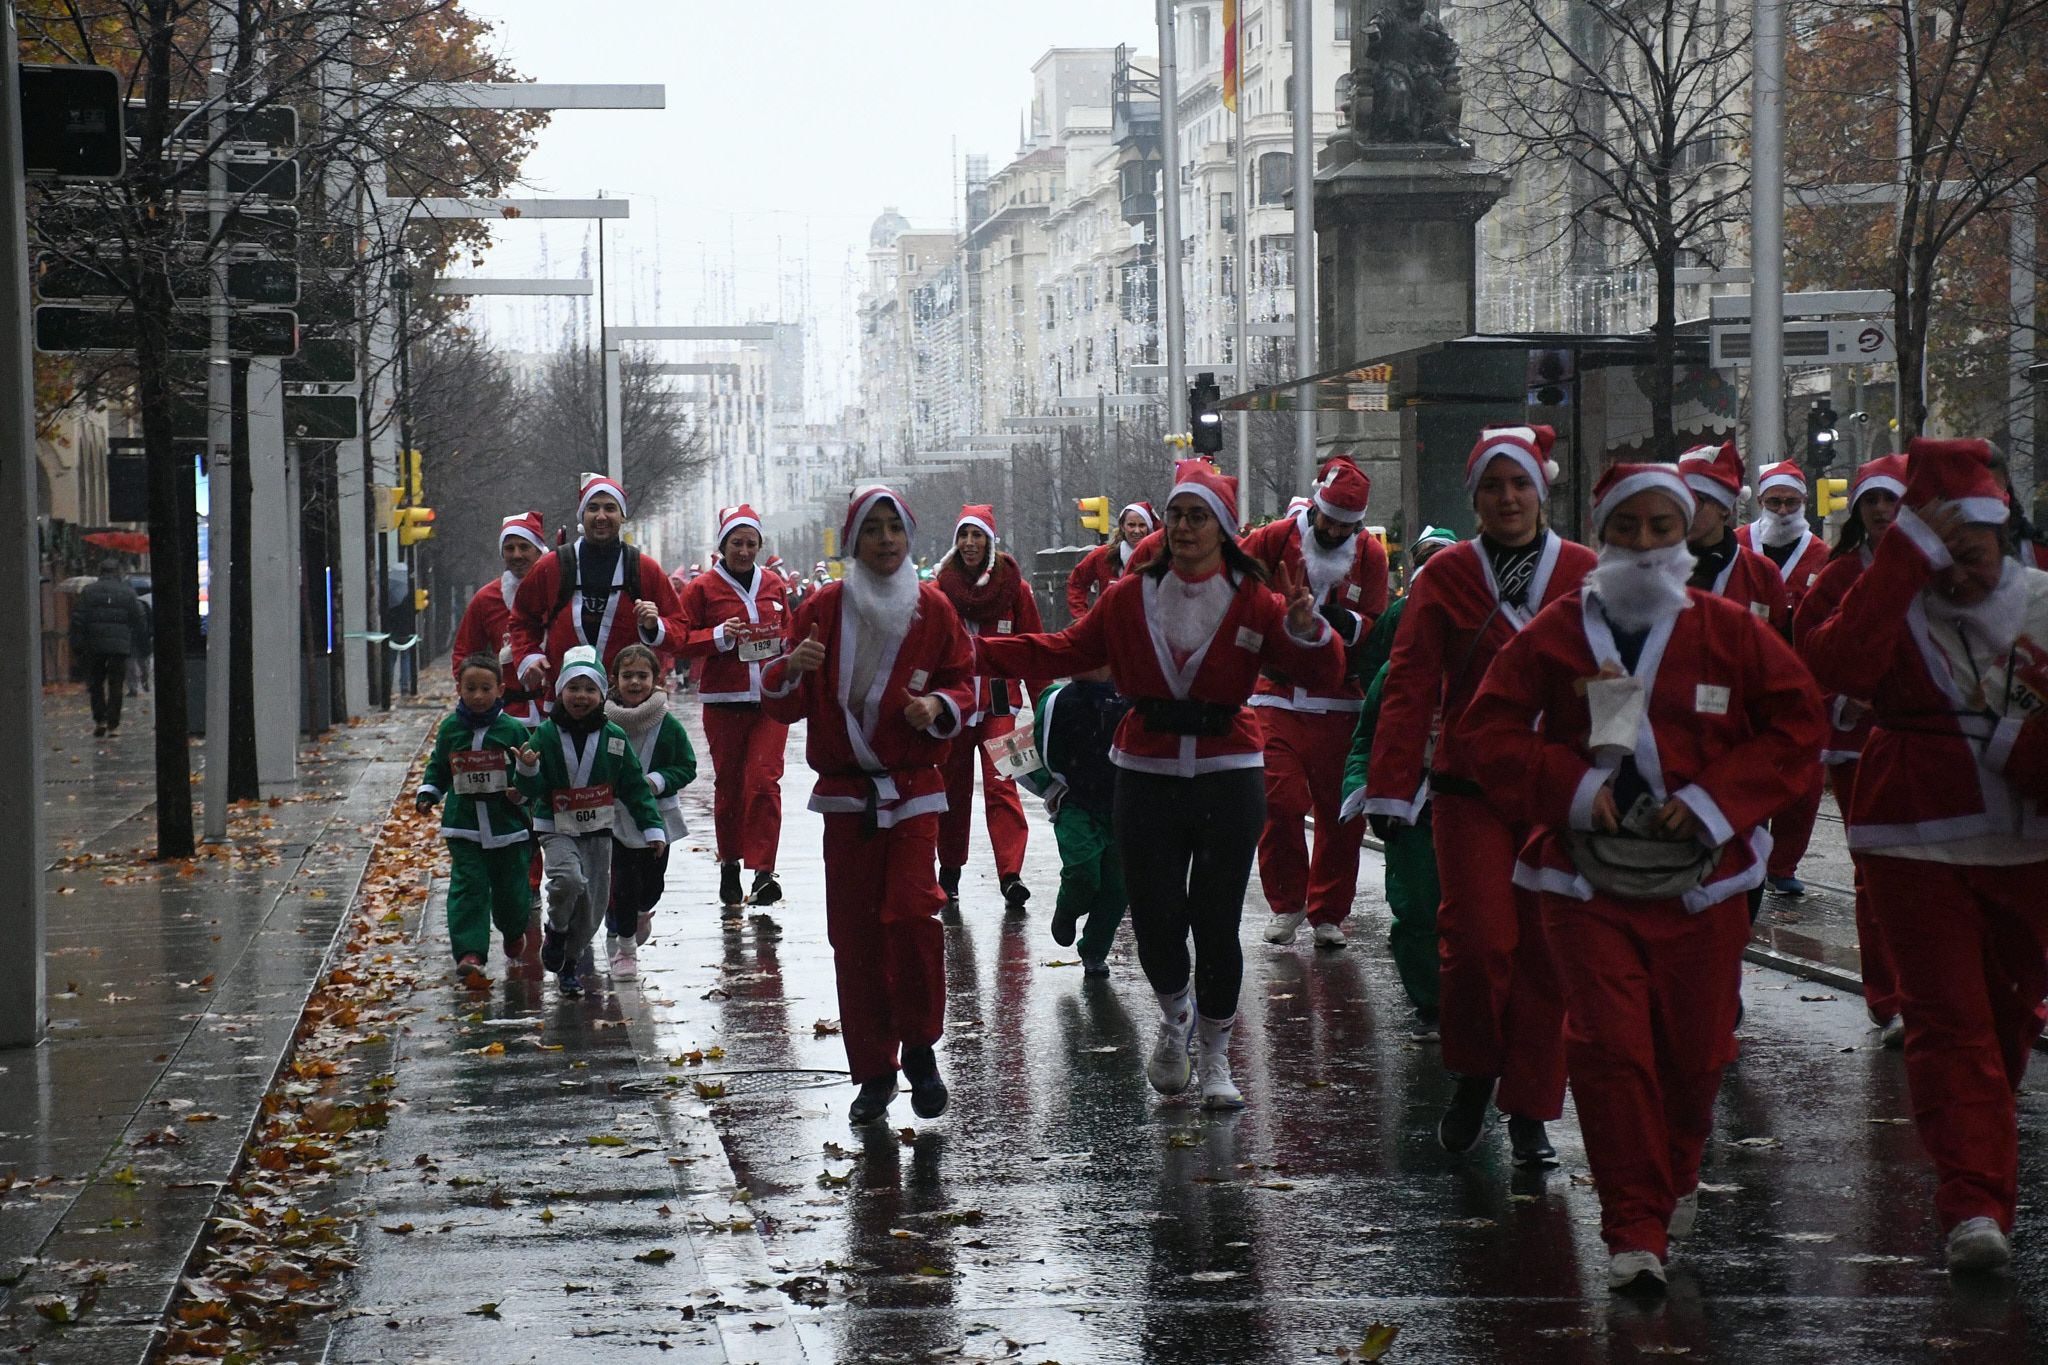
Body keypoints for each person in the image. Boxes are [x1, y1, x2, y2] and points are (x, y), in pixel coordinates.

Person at [1463, 462, 1825, 1294]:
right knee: (1608, 1045)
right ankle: (1632, 1227)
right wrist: (1579, 792)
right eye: (1627, 528)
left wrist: (1712, 803)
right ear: (1602, 535)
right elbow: (1488, 731)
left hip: (1706, 883)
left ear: (1687, 534)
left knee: (1696, 1055)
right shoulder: (1556, 631)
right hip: (1584, 882)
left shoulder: (1731, 629)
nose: (1645, 544)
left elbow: (1797, 722)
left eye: (1663, 527)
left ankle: (1677, 1169)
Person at [978, 460, 1341, 1112]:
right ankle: (1174, 1018)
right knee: (1156, 922)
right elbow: (1060, 650)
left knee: (1216, 918)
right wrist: (969, 650)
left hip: (1229, 770)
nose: (1182, 527)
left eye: (1197, 515)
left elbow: (1319, 668)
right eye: (1176, 514)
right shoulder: (1127, 597)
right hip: (1144, 770)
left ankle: (1217, 1054)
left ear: (1224, 528)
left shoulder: (1255, 598)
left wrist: (1310, 628)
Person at [1803, 437, 2048, 1277]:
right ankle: (1972, 1205)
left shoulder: (2043, 604)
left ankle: (1982, 1141)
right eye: (1939, 558)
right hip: (1914, 835)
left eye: (1971, 557)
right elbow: (1831, 667)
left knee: (2008, 1019)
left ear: (2003, 539)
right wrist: (1900, 562)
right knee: (1949, 1023)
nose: (1957, 578)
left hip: (2029, 844)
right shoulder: (1892, 601)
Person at [1360, 424, 1596, 1166]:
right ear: (1475, 498)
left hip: (1554, 787)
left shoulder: (1585, 572)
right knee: (1475, 945)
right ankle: (1471, 1073)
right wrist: (1391, 788)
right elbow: (1408, 686)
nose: (1508, 498)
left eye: (1520, 483)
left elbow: (1617, 676)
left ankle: (1529, 1109)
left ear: (1542, 489)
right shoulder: (1444, 576)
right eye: (1493, 486)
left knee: (1544, 956)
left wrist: (1619, 770)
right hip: (1467, 786)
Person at [760, 486, 976, 1124]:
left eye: (895, 529)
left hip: (914, 790)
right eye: (872, 530)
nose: (885, 541)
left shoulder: (932, 609)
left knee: (911, 917)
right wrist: (790, 668)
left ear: (909, 537)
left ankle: (920, 1049)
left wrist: (941, 707)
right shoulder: (824, 607)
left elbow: (964, 680)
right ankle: (874, 1073)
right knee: (853, 937)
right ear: (853, 541)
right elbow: (780, 702)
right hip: (846, 797)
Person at [1242, 454, 1391, 949]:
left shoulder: (1370, 555)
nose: (1334, 530)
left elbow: (1373, 618)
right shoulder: (1275, 539)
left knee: (1340, 813)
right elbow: (1233, 582)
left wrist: (1338, 623)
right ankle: (1287, 902)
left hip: (1339, 700)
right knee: (1279, 801)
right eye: (1328, 519)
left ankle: (1329, 911)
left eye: (1346, 524)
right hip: (1276, 694)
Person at [1794, 454, 1908, 1046]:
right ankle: (1887, 995)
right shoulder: (1838, 576)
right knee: (1873, 866)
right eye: (1872, 503)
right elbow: (1808, 646)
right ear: (1858, 511)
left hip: (1926, 739)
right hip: (1856, 745)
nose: (1883, 512)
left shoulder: (1940, 569)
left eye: (1892, 500)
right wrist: (1846, 695)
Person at [1340, 526, 1460, 1038]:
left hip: (1470, 803)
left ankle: (1478, 1002)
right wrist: (1361, 787)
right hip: (1409, 808)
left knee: (1476, 913)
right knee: (1413, 907)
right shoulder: (1393, 673)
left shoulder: (1484, 662)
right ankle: (1432, 1003)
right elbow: (1365, 740)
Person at [516, 645, 667, 1000]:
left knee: (594, 909)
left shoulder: (614, 737)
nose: (580, 696)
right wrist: (527, 768)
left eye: (589, 689)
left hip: (599, 831)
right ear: (560, 692)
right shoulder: (546, 735)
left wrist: (652, 827)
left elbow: (632, 785)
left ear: (602, 694)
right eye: (573, 688)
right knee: (567, 879)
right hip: (556, 828)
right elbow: (530, 790)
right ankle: (555, 929)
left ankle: (569, 964)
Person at [675, 505, 794, 911]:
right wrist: (720, 635)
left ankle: (763, 873)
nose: (744, 551)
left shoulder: (775, 584)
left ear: (760, 545)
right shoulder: (702, 590)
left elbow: (790, 634)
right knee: (728, 785)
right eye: (736, 543)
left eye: (751, 543)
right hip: (724, 701)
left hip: (769, 703)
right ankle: (730, 862)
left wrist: (792, 661)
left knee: (764, 780)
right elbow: (681, 640)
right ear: (723, 545)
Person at [934, 504, 1042, 912]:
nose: (969, 543)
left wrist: (1045, 701)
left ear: (990, 541)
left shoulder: (1015, 588)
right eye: (964, 535)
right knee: (951, 790)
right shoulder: (941, 589)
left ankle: (1011, 874)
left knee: (1004, 784)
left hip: (1002, 704)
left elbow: (1035, 650)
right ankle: (950, 871)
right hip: (955, 707)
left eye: (977, 535)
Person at [509, 474, 690, 699]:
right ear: (582, 515)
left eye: (610, 508)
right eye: (593, 508)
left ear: (622, 516)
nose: (601, 516)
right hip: (566, 700)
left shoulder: (645, 568)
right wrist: (529, 656)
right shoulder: (553, 565)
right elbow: (521, 620)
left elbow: (680, 629)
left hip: (627, 704)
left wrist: (654, 625)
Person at [1736, 459, 1829, 895]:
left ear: (1805, 503)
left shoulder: (1822, 556)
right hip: (1743, 681)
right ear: (1759, 502)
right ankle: (1743, 852)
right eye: (1775, 501)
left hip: (1801, 683)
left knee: (1803, 778)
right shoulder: (1737, 547)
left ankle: (1784, 864)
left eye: (1792, 502)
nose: (1783, 510)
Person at [416, 655, 537, 986]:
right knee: (469, 889)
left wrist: (522, 785)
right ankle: (470, 953)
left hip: (507, 828)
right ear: (459, 689)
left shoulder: (512, 728)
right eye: (471, 688)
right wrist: (428, 793)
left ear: (500, 690)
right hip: (464, 826)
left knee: (511, 893)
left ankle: (513, 931)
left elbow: (527, 773)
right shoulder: (451, 729)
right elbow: (439, 766)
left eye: (486, 688)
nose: (479, 696)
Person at [1014, 666, 1133, 976]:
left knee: (1117, 888)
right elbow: (1044, 748)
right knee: (1082, 870)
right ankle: (1067, 910)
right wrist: (1055, 787)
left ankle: (1094, 951)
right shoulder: (1059, 700)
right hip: (1077, 805)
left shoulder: (1134, 697)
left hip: (1124, 808)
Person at [603, 643, 697, 980]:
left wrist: (656, 781)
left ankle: (640, 912)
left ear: (655, 680)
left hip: (659, 816)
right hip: (616, 816)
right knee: (623, 880)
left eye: (642, 676)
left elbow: (687, 766)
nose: (635, 682)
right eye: (627, 676)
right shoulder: (602, 722)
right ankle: (625, 948)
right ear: (615, 680)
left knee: (651, 885)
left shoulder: (667, 724)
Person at [452, 512, 550, 727]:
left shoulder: (560, 589)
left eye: (524, 547)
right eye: (509, 548)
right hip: (503, 715)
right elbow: (464, 653)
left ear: (538, 550)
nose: (516, 555)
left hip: (557, 711)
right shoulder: (486, 599)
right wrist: (475, 695)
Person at [69, 558, 148, 739]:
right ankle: (113, 724)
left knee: (96, 684)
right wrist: (141, 643)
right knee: (116, 684)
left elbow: (78, 619)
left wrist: (78, 644)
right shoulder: (127, 592)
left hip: (94, 646)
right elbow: (139, 618)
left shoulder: (88, 592)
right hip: (119, 647)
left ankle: (100, 720)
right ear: (117, 572)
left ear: (100, 572)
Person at [1065, 501, 1158, 619]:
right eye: (1131, 525)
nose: (1136, 531)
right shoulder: (1104, 555)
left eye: (1142, 525)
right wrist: (1081, 619)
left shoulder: (1158, 559)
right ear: (1122, 527)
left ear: (1148, 528)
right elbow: (1076, 582)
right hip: (1109, 632)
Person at [126, 578, 153, 698]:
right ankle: (133, 688)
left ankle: (145, 681)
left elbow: (151, 622)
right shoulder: (123, 607)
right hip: (129, 640)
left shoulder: (144, 605)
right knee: (130, 666)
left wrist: (150, 634)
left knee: (144, 665)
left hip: (142, 640)